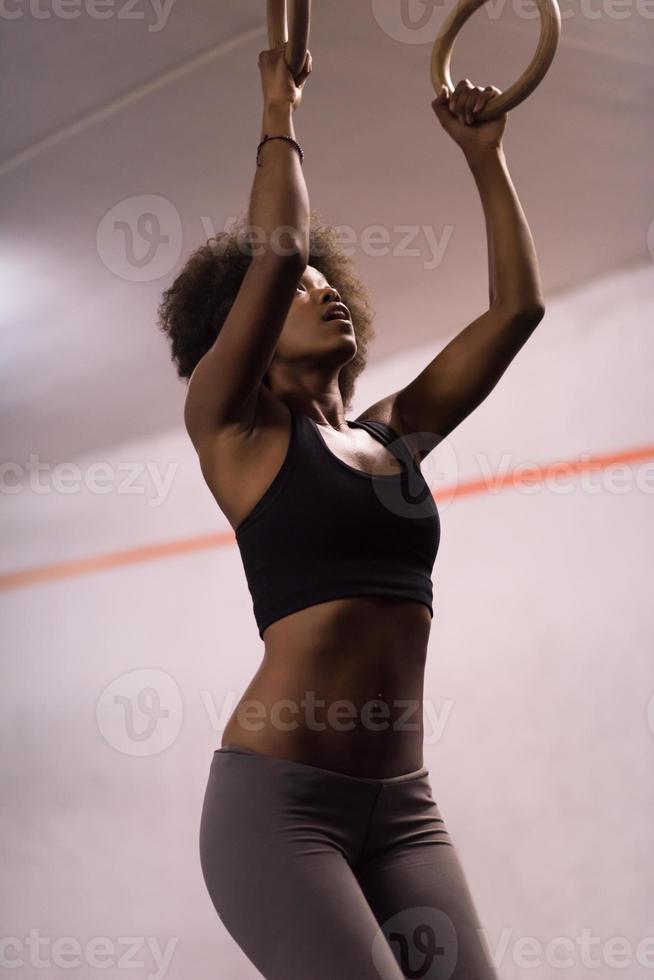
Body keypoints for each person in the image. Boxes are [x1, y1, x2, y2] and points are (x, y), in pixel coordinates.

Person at [158, 42, 544, 980]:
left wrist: (485, 158)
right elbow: (281, 244)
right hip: (278, 807)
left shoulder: (394, 435)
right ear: (241, 332)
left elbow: (516, 311)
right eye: (296, 288)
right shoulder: (233, 432)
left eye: (328, 280)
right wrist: (277, 102)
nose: (321, 284)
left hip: (403, 805)